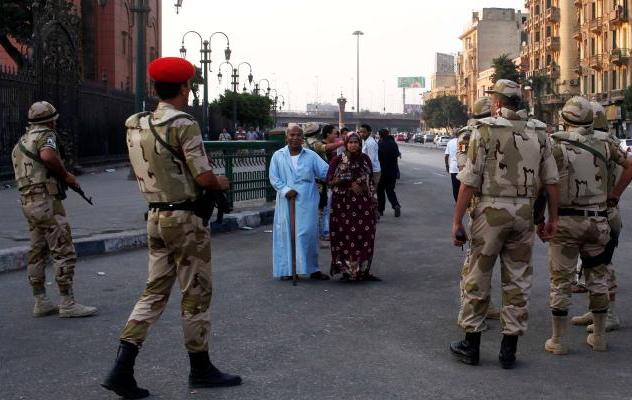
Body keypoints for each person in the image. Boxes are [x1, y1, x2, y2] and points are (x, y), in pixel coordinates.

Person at [102, 57, 241, 399]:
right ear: (184, 88)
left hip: (155, 216)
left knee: (153, 292)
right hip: (185, 220)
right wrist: (220, 183)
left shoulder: (135, 123)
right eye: (189, 86)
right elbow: (204, 176)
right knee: (196, 293)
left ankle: (121, 368)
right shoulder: (183, 124)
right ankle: (201, 368)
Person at [450, 79, 560, 369]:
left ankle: (471, 346)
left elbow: (469, 182)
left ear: (497, 102)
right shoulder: (539, 132)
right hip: (523, 212)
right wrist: (552, 219)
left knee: (478, 275)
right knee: (518, 279)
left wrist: (457, 221)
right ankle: (508, 350)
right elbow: (551, 182)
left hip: (489, 211)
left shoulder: (484, 129)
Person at [543, 96, 632, 355]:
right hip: (598, 221)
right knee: (598, 278)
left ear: (564, 119)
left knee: (561, 281)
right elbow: (629, 166)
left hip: (566, 222)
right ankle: (600, 337)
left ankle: (558, 341)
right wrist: (613, 196)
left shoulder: (555, 143)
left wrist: (546, 218)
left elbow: (545, 183)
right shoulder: (606, 143)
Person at [11, 101, 98, 319]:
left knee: (37, 251)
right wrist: (67, 175)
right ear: (50, 121)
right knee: (63, 249)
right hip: (46, 200)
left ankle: (40, 300)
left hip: (28, 202)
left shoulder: (21, 141)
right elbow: (48, 156)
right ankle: (67, 302)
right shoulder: (46, 135)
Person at [571, 102, 622, 333]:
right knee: (593, 266)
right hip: (605, 212)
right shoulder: (606, 142)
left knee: (603, 266)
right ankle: (597, 309)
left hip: (603, 213)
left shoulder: (601, 143)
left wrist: (613, 195)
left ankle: (609, 314)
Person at [269, 125, 330, 281]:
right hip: (286, 201)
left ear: (302, 138)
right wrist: (285, 190)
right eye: (292, 135)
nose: (295, 138)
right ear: (286, 137)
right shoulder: (278, 155)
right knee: (286, 234)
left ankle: (312, 269)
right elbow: (274, 177)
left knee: (308, 234)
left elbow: (326, 172)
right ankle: (288, 270)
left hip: (307, 200)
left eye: (298, 135)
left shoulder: (311, 155)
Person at [327, 132, 378, 281]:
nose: (353, 145)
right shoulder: (337, 160)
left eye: (356, 142)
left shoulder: (365, 159)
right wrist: (348, 184)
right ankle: (348, 271)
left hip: (363, 205)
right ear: (345, 144)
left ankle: (362, 271)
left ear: (360, 144)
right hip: (343, 207)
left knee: (365, 236)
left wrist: (373, 200)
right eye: (350, 142)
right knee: (345, 236)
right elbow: (329, 180)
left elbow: (371, 182)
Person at [377, 128, 401, 217]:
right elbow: (397, 155)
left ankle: (380, 210)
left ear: (380, 136)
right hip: (392, 172)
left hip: (382, 172)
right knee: (390, 190)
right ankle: (396, 205)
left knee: (380, 191)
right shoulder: (393, 144)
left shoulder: (380, 144)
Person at [445, 134, 460, 202]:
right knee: (461, 186)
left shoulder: (450, 143)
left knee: (455, 186)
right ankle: (462, 201)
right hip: (461, 167)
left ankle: (457, 201)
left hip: (453, 168)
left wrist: (447, 166)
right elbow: (462, 153)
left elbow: (446, 156)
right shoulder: (461, 142)